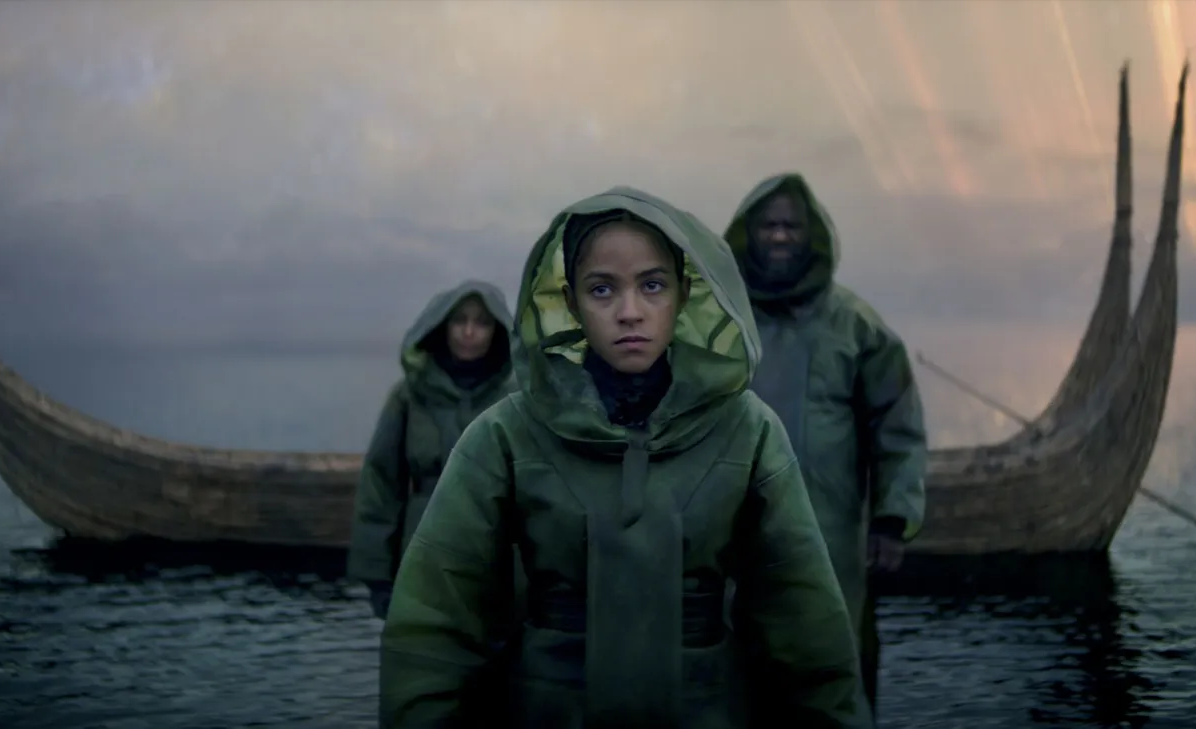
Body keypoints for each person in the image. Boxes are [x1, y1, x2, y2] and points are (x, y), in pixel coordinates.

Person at [378, 186, 873, 729]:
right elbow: (436, 627)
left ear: (685, 294)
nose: (629, 312)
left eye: (652, 285)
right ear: (570, 303)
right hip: (548, 708)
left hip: (706, 708)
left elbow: (805, 630)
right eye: (602, 289)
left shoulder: (748, 432)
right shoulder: (505, 435)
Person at [722, 172, 928, 714]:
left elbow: (898, 425)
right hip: (731, 530)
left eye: (792, 225)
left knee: (836, 664)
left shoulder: (856, 326)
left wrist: (890, 520)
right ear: (748, 233)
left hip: (830, 533)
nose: (781, 236)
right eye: (768, 225)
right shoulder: (718, 323)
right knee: (735, 664)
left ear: (812, 235)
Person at [346, 280, 516, 620]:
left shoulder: (516, 399)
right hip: (421, 553)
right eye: (459, 320)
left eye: (481, 322)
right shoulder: (409, 395)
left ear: (497, 331)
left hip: (498, 560)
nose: (469, 332)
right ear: (442, 326)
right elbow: (382, 483)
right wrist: (377, 576)